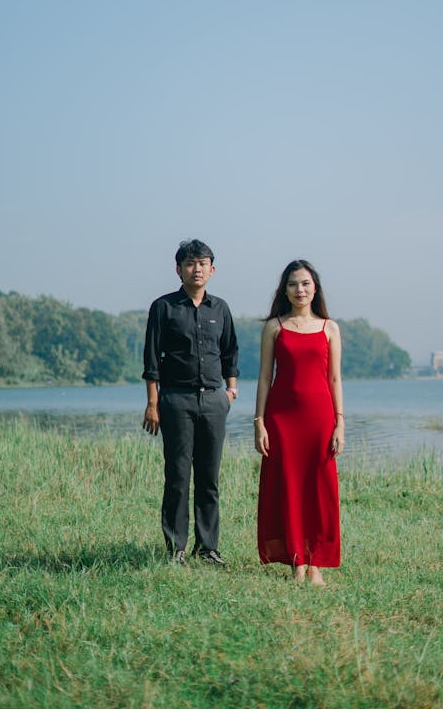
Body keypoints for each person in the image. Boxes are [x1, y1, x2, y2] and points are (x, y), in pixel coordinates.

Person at [142, 239, 239, 567]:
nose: (196, 269)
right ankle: (176, 549)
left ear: (212, 269)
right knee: (178, 475)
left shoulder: (221, 308)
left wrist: (231, 392)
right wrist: (153, 403)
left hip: (214, 400)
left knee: (209, 478)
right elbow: (152, 358)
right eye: (189, 263)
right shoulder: (164, 307)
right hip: (176, 400)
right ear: (178, 269)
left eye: (202, 263)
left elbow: (230, 352)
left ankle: (208, 547)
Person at [254, 259, 344, 585]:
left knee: (319, 490)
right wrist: (259, 422)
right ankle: (297, 562)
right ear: (285, 290)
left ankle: (316, 562)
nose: (300, 289)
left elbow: (335, 379)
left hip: (320, 420)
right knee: (288, 489)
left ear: (315, 287)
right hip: (282, 420)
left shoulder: (329, 328)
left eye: (305, 283)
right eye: (293, 284)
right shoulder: (274, 327)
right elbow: (264, 378)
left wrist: (340, 423)